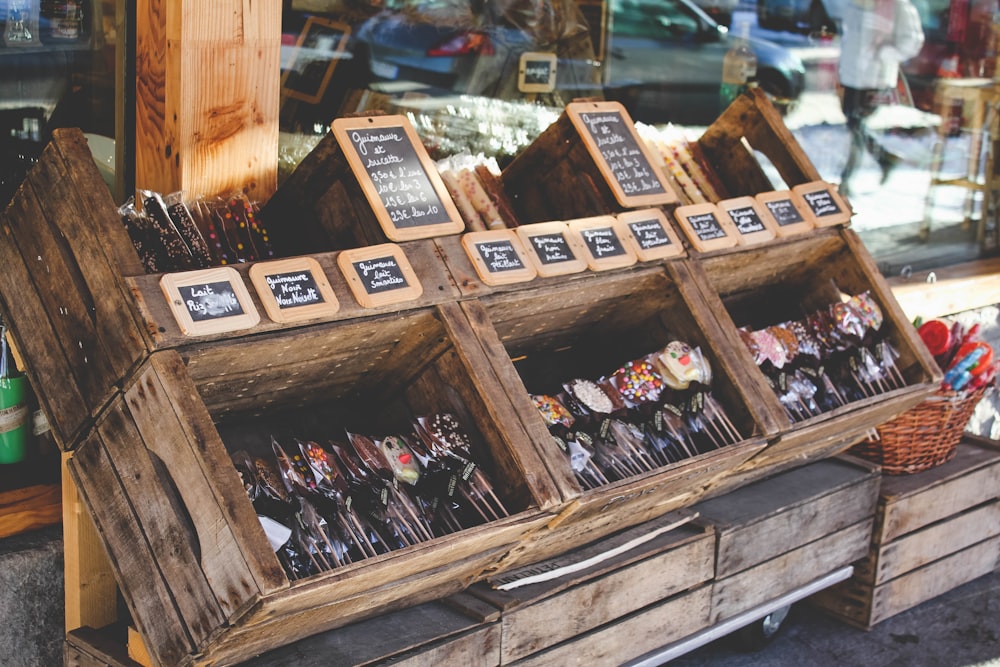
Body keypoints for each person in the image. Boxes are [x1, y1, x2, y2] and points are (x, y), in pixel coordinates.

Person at [837, 0, 924, 196]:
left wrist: (886, 54)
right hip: (851, 77)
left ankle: (846, 180)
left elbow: (912, 40)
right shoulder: (854, 4)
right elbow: (849, 36)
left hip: (875, 78)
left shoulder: (897, 6)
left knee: (857, 125)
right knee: (854, 124)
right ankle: (886, 158)